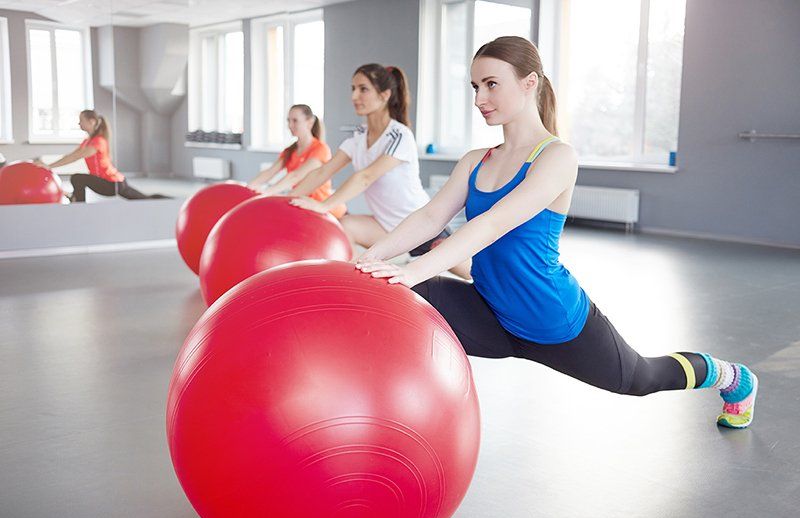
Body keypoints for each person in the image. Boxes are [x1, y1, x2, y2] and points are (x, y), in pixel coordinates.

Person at [356, 36, 757, 429]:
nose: (480, 99)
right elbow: (429, 217)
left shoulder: (556, 157)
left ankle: (731, 377)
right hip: (490, 313)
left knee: (639, 378)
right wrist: (372, 258)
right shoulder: (476, 160)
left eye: (492, 84)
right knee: (397, 298)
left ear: (530, 83)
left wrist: (414, 268)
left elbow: (493, 224)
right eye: (476, 87)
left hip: (550, 321)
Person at [290, 63, 471, 279]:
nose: (355, 95)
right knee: (346, 225)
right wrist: (288, 200)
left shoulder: (399, 135)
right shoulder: (359, 136)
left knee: (471, 274)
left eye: (363, 89)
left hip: (420, 226)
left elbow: (365, 177)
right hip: (386, 229)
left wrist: (324, 205)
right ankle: (344, 282)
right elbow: (324, 171)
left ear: (385, 95)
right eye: (353, 88)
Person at [35, 110, 167, 202]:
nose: (79, 123)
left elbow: (75, 157)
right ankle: (75, 198)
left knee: (77, 178)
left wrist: (49, 166)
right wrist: (48, 165)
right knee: (145, 199)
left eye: (81, 120)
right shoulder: (88, 140)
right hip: (113, 182)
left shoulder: (98, 141)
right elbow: (72, 154)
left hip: (112, 184)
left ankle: (78, 204)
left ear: (92, 121)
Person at [249, 104, 345, 218]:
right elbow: (269, 172)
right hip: (300, 203)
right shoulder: (290, 151)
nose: (290, 125)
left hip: (321, 206)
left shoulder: (320, 149)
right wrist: (249, 188)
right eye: (288, 121)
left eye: (295, 121)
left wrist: (267, 192)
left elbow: (296, 176)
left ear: (310, 122)